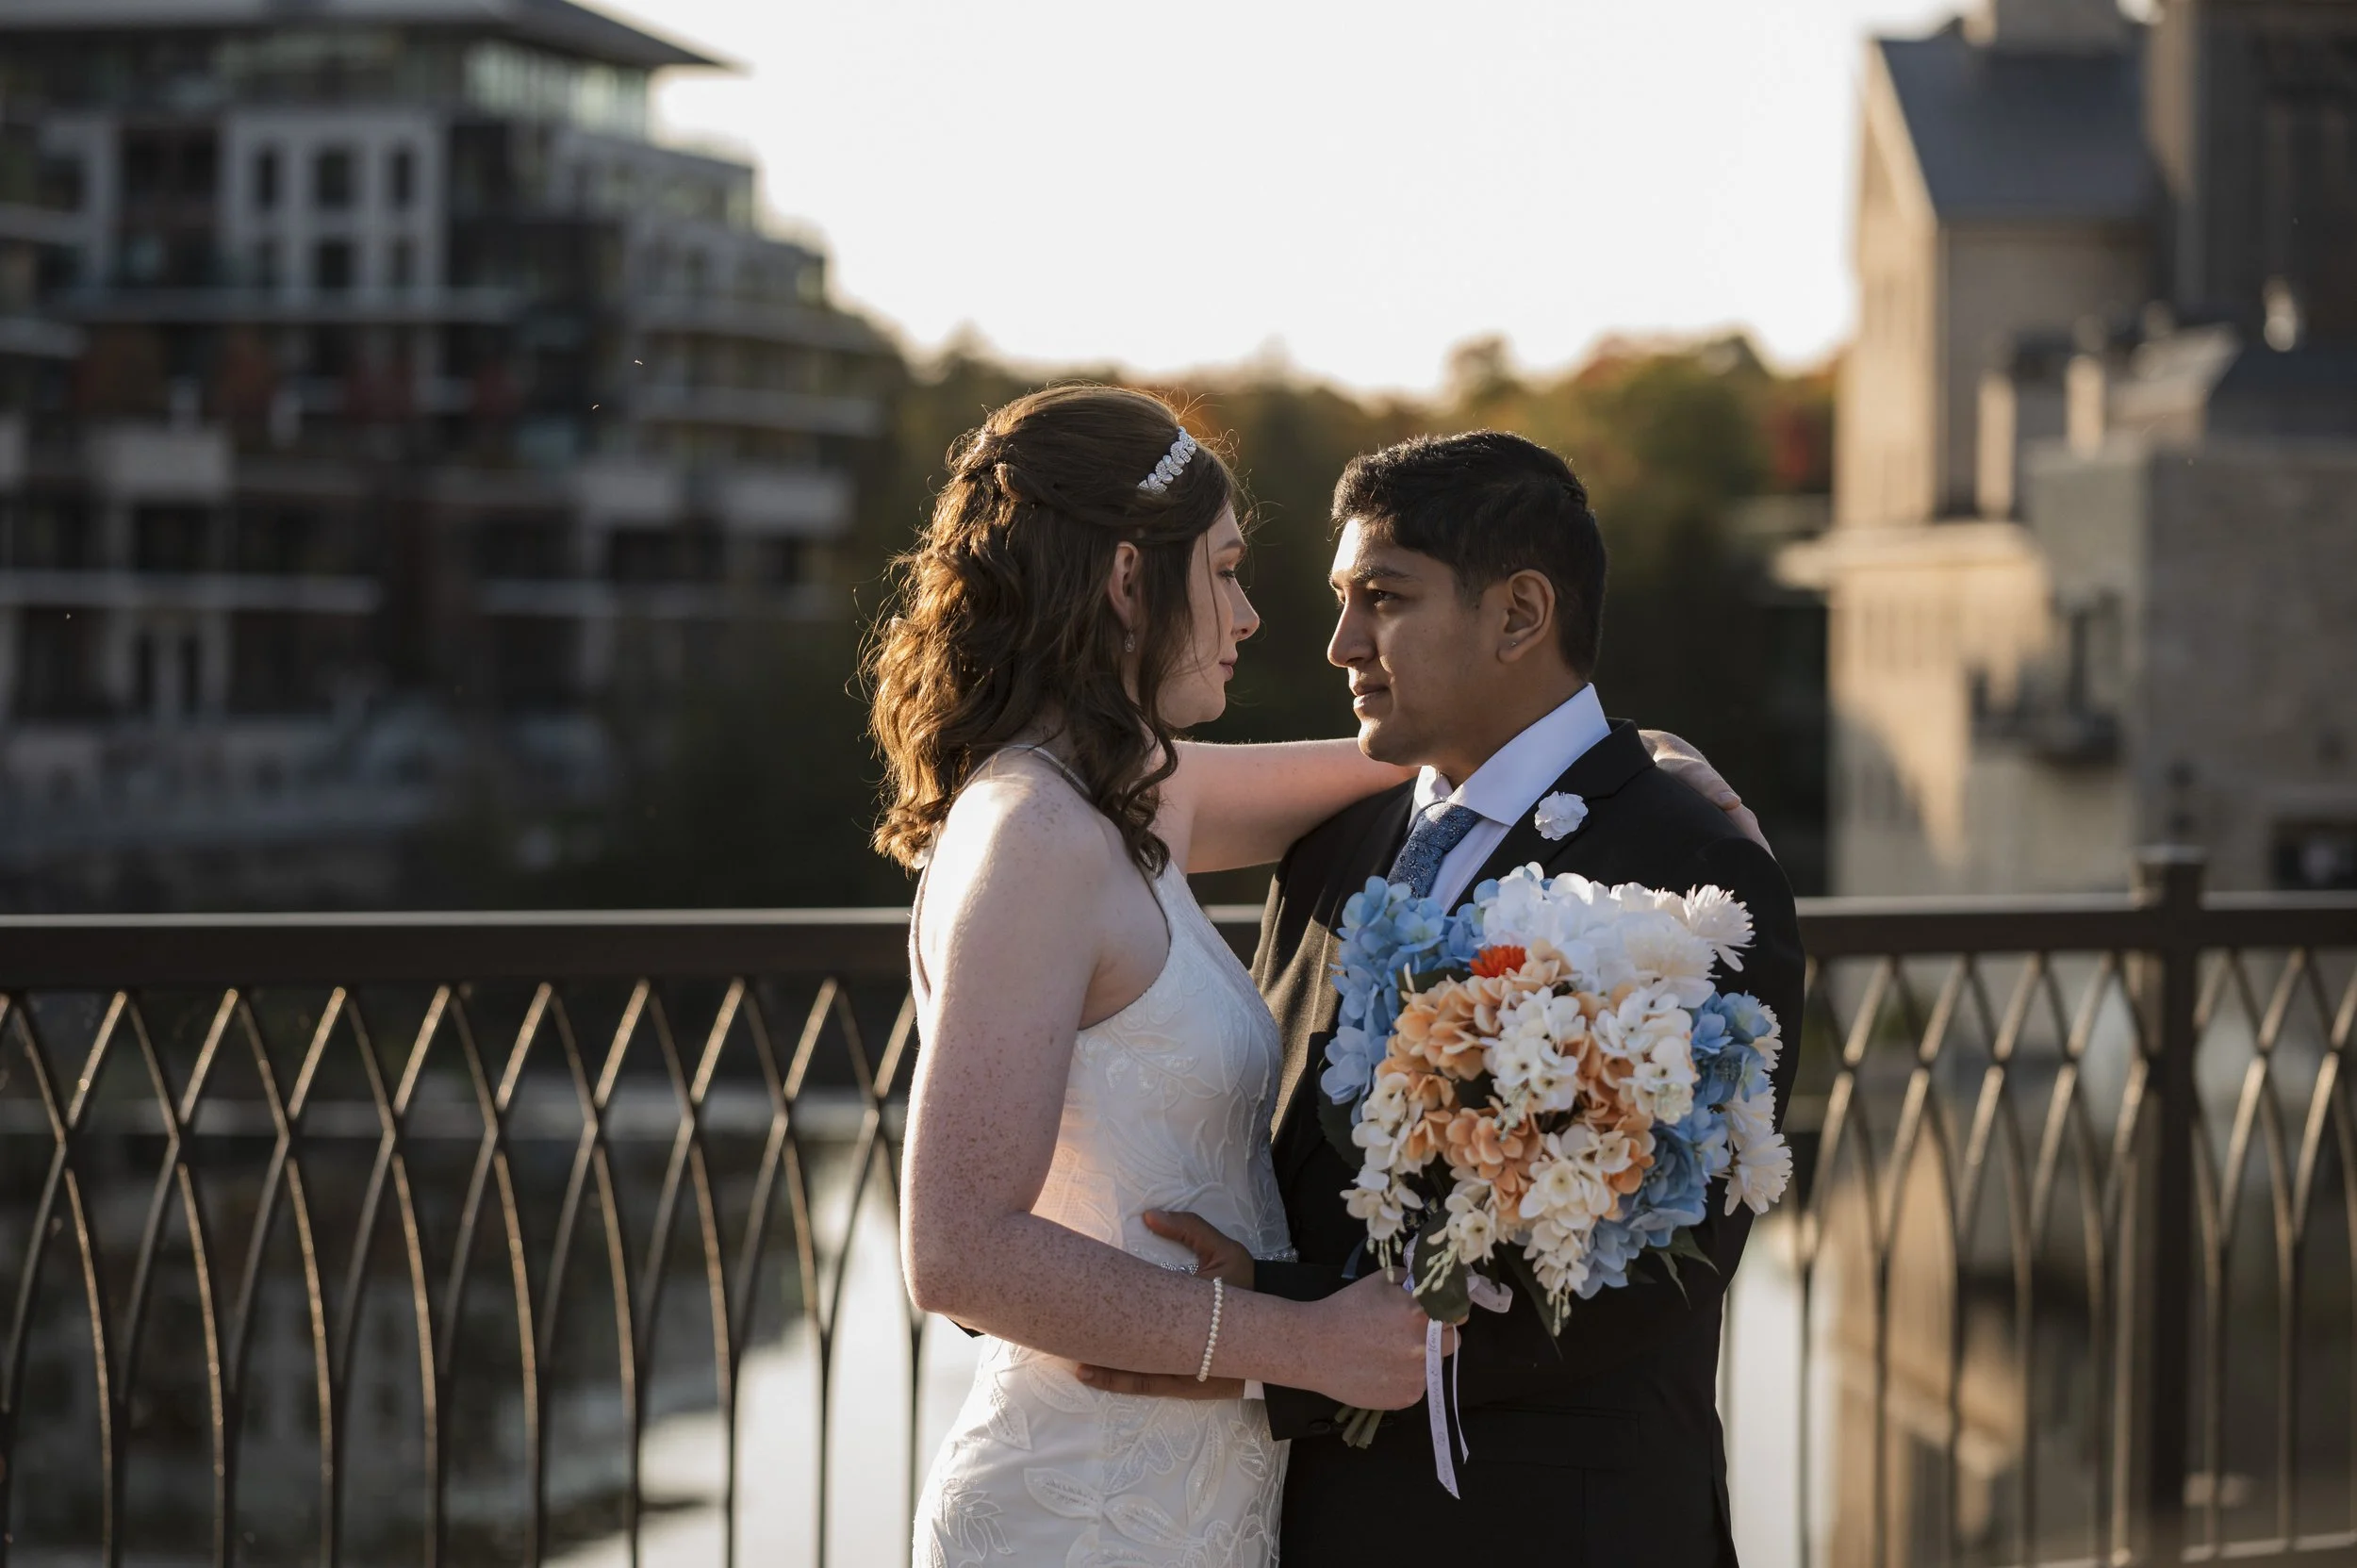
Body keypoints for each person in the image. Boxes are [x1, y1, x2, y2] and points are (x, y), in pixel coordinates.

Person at [871, 389, 1766, 1568]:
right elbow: (956, 1248)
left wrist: (1618, 754)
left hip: (1229, 1495)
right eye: (1227, 571)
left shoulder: (1121, 798)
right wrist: (1295, 1343)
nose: (1254, 616)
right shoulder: (1035, 835)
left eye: (1373, 601)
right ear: (1129, 584)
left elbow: (1400, 762)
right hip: (1091, 1504)